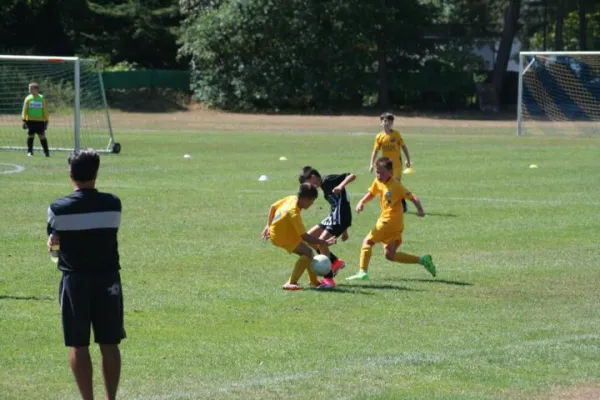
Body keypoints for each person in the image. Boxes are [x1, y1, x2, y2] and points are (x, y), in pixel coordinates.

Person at [47, 149, 124, 400]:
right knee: (110, 344)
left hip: (75, 280)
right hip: (108, 279)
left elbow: (54, 243)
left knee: (78, 344)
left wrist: (53, 248)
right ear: (96, 172)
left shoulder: (58, 209)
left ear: (70, 173)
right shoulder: (114, 204)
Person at [346, 157, 436, 281]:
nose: (379, 175)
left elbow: (412, 197)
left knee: (367, 242)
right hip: (396, 224)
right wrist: (362, 202)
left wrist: (420, 209)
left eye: (382, 173)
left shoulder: (396, 186)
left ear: (391, 172)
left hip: (388, 221)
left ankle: (362, 272)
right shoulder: (378, 181)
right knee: (390, 255)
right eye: (377, 172)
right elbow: (372, 193)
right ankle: (423, 260)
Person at [262, 183, 336, 290]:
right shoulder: (293, 213)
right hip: (281, 236)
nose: (311, 204)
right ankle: (291, 282)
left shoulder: (292, 198)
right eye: (312, 201)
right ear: (306, 199)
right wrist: (324, 242)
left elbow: (273, 207)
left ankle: (314, 282)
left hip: (280, 232)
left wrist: (269, 226)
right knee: (307, 253)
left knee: (308, 252)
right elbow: (305, 236)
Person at [298, 166, 356, 289]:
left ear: (313, 177)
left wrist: (341, 186)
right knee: (309, 237)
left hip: (341, 218)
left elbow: (352, 175)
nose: (310, 188)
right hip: (333, 216)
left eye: (308, 184)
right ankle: (335, 261)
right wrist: (345, 231)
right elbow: (337, 204)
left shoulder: (329, 180)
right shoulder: (324, 187)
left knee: (321, 243)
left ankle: (328, 279)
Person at [369, 112, 411, 211]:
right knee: (387, 185)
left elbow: (404, 147)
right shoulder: (379, 136)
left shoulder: (396, 134)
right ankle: (389, 203)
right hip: (385, 166)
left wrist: (408, 160)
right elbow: (375, 151)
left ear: (392, 123)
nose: (387, 123)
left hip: (396, 165)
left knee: (396, 184)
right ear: (381, 123)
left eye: (389, 121)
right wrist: (372, 164)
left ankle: (402, 203)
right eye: (385, 121)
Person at [22, 82, 50, 157]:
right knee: (30, 136)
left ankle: (46, 152)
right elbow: (25, 109)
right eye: (29, 88)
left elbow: (45, 110)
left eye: (31, 88)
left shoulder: (41, 98)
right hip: (30, 121)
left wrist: (46, 120)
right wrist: (24, 120)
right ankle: (30, 152)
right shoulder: (28, 98)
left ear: (35, 89)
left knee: (42, 136)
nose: (29, 90)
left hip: (40, 121)